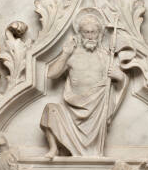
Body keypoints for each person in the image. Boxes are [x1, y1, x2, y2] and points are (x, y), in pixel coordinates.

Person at [40, 9, 128, 158]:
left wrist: (121, 77)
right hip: (71, 111)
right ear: (80, 34)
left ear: (100, 34)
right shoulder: (72, 55)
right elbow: (52, 74)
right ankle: (54, 148)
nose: (90, 36)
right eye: (86, 32)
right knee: (50, 110)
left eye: (94, 32)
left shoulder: (106, 57)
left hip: (96, 110)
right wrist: (65, 53)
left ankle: (93, 150)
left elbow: (120, 82)